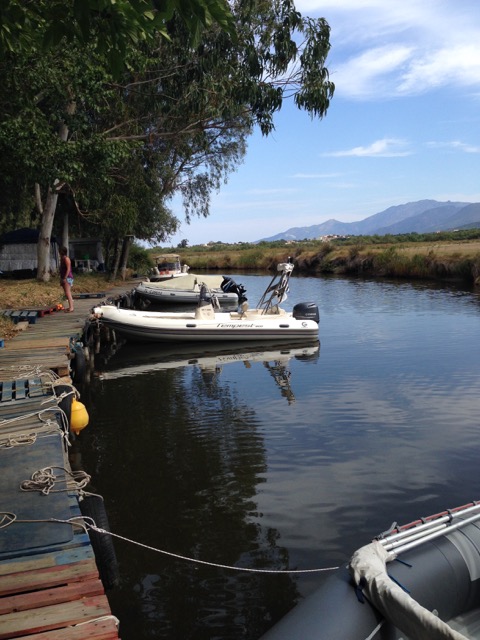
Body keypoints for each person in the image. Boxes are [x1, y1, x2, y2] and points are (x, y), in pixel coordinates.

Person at [59, 246, 74, 312]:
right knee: (66, 293)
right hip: (63, 277)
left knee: (68, 292)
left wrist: (65, 278)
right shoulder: (62, 259)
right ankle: (70, 306)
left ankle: (71, 307)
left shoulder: (66, 259)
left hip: (68, 277)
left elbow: (68, 269)